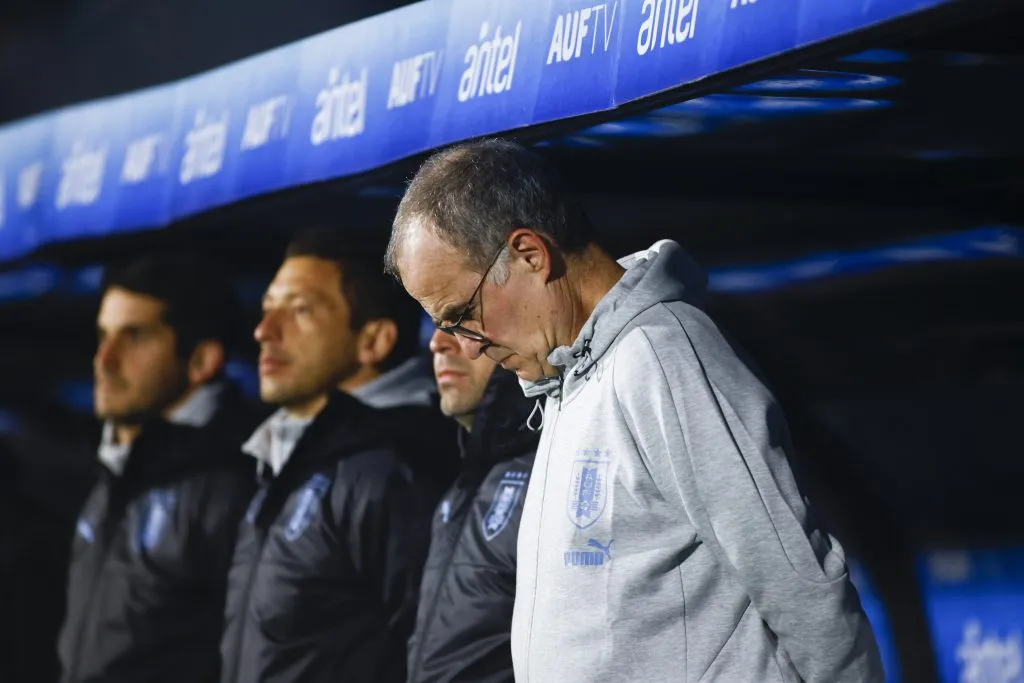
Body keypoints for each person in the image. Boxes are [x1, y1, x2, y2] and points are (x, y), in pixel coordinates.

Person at [385, 139, 884, 683]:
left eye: (461, 314)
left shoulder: (660, 356)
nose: (469, 344)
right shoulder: (567, 379)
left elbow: (799, 580)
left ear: (530, 254)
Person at [220, 229, 445, 683]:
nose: (264, 332)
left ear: (375, 341)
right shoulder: (290, 455)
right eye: (267, 309)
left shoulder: (393, 468)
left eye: (299, 310)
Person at [58, 254, 263, 683]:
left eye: (133, 337)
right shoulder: (113, 467)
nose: (104, 359)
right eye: (103, 336)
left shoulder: (234, 480)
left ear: (201, 360)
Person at [407, 328, 541, 683]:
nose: (438, 342)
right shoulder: (460, 483)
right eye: (435, 324)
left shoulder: (546, 469)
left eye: (460, 320)